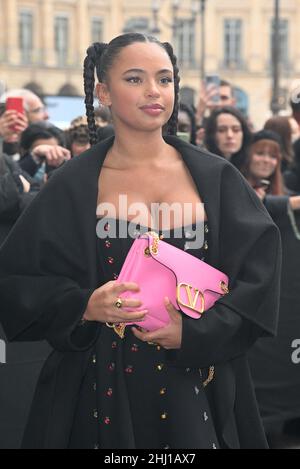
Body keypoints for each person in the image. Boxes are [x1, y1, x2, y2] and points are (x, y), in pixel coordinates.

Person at [0, 33, 281, 450]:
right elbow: (18, 279)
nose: (154, 91)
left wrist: (194, 332)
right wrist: (83, 305)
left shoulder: (219, 179)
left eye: (164, 79)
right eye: (134, 79)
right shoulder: (73, 184)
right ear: (103, 92)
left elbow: (258, 282)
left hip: (201, 384)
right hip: (95, 387)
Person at [241, 130, 300, 446]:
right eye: (260, 152)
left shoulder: (285, 191)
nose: (265, 160)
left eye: (272, 155)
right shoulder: (232, 185)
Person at [204, 107, 252, 171]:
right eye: (222, 130)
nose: (230, 135)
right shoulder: (203, 166)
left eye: (236, 130)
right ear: (212, 134)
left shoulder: (251, 167)